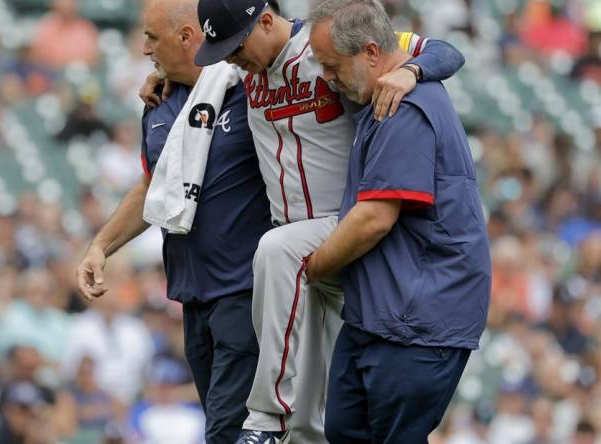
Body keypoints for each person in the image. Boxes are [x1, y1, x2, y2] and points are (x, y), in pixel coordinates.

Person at [184, 0, 466, 442]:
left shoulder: (328, 45)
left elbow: (444, 51)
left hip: (342, 236)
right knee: (319, 424)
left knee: (362, 412)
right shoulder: (241, 70)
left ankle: (262, 422)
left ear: (267, 21)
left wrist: (412, 71)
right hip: (296, 264)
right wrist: (160, 78)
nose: (233, 57)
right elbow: (195, 74)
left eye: (237, 45)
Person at [75, 0, 273, 441]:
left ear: (187, 37)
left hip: (246, 289)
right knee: (222, 425)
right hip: (193, 293)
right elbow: (153, 186)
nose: (144, 48)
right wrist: (100, 245)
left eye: (152, 36)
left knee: (228, 430)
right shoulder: (160, 103)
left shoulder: (250, 86)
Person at [306, 1, 491, 441]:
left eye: (333, 66)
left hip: (418, 320)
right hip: (380, 312)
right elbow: (439, 50)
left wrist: (309, 267)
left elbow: (374, 218)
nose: (326, 78)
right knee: (344, 431)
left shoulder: (402, 106)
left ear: (372, 52)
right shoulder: (388, 87)